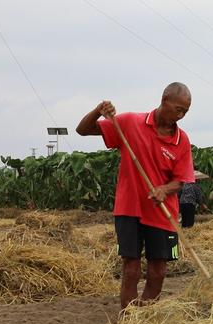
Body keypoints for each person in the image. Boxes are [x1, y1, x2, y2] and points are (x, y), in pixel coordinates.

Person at [76, 82, 195, 310]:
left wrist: (164, 189)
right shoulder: (130, 123)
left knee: (157, 271)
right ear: (164, 100)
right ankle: (129, 318)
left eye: (185, 112)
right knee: (131, 268)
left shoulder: (182, 140)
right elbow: (83, 129)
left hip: (162, 212)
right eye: (178, 109)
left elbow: (181, 179)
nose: (180, 116)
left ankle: (145, 318)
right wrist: (98, 111)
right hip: (129, 208)